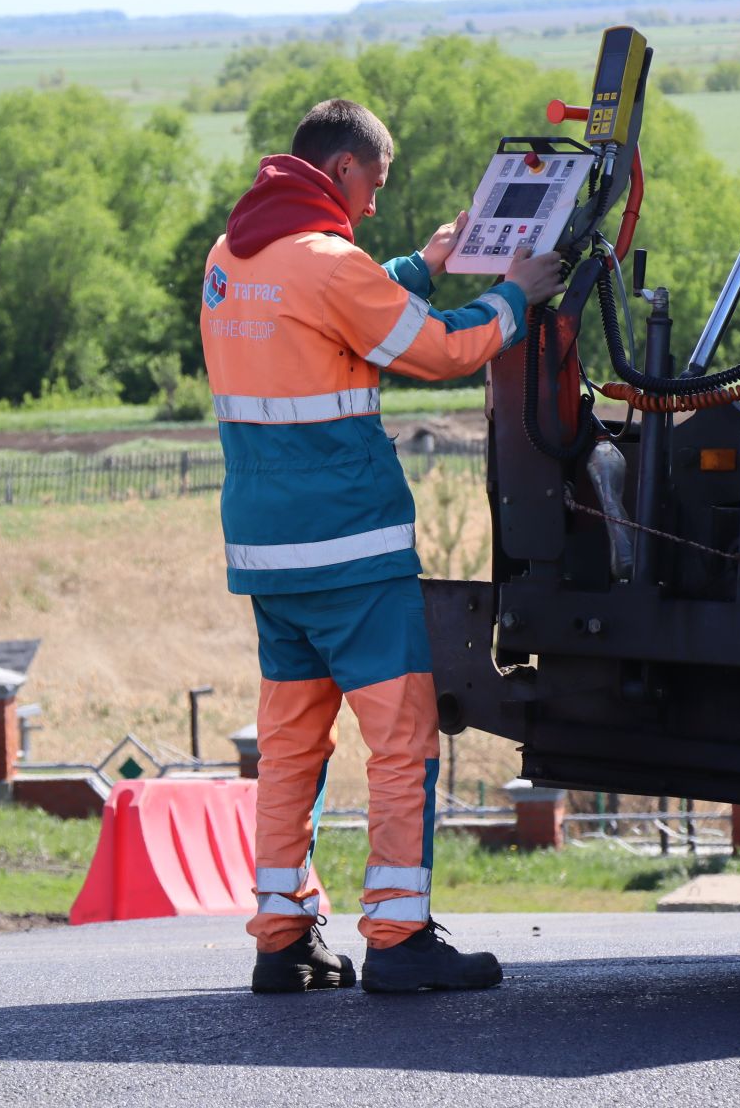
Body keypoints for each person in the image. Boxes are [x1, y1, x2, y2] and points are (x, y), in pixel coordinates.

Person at [199, 99, 563, 994]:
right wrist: (518, 295)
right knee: (402, 744)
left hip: (269, 556)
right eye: (374, 187)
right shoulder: (327, 261)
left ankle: (282, 939)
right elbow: (438, 350)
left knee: (289, 748)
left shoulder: (231, 255)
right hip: (351, 552)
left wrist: (421, 265)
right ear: (345, 170)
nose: (372, 207)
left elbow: (336, 310)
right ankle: (398, 939)